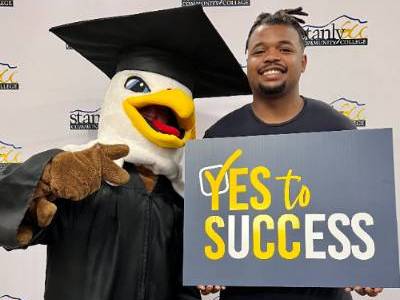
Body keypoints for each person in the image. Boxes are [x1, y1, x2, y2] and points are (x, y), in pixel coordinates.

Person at [0, 6, 251, 300]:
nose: (170, 113)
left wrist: (203, 276)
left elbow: (187, 281)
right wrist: (42, 177)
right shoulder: (79, 174)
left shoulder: (183, 197)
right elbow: (11, 209)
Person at [198, 7, 383, 300]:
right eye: (259, 51)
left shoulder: (337, 129)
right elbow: (207, 230)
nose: (271, 56)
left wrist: (367, 267)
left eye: (285, 48)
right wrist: (205, 266)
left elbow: (362, 221)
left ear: (303, 61)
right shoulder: (220, 138)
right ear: (247, 62)